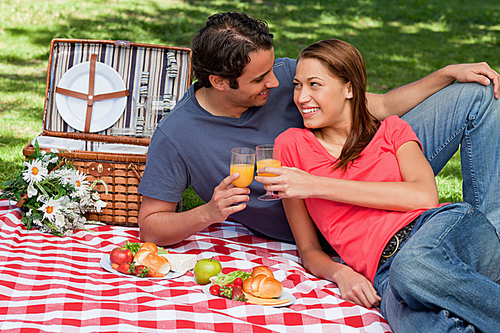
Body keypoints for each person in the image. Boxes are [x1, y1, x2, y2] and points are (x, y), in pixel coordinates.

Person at [137, 11, 500, 246]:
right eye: (260, 79)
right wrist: (209, 212)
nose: (278, 84)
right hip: (330, 230)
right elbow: (151, 226)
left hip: (377, 176)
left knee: (475, 92)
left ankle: (492, 242)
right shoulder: (177, 136)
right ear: (219, 81)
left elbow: (382, 106)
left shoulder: (286, 76)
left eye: (273, 70)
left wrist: (447, 74)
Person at [269, 38, 500, 332]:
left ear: (349, 89)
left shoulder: (391, 130)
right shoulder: (290, 146)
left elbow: (424, 196)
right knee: (419, 325)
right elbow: (309, 249)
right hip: (384, 276)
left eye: (315, 84)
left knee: (412, 267)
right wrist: (341, 273)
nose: (301, 97)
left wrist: (316, 184)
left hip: (437, 231)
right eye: (298, 85)